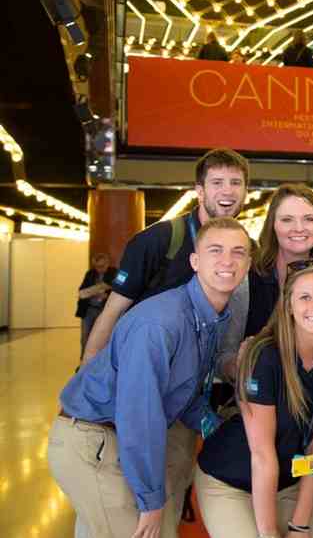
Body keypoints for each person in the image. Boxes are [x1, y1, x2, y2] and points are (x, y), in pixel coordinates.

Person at [48, 218, 251, 538]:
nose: (228, 261)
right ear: (194, 261)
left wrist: (222, 431)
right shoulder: (161, 323)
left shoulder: (210, 317)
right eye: (216, 250)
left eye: (238, 252)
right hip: (95, 441)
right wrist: (150, 500)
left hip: (116, 439)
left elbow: (185, 396)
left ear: (249, 264)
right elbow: (140, 416)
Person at [196, 259, 313, 538]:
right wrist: (270, 532)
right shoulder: (265, 355)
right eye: (305, 297)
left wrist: (299, 526)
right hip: (231, 480)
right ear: (289, 305)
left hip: (289, 483)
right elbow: (261, 456)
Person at [82, 148, 250, 364]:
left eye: (235, 183)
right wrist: (87, 368)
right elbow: (113, 310)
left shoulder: (244, 248)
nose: (228, 191)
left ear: (245, 191)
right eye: (217, 182)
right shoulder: (158, 240)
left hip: (198, 374)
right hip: (146, 363)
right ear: (200, 191)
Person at [223, 184, 313, 382]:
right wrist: (240, 364)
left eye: (309, 219)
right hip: (254, 400)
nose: (299, 228)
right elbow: (222, 358)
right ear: (273, 225)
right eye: (287, 220)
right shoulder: (245, 281)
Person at [76, 252, 117, 358]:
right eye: (97, 267)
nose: (100, 269)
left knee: (103, 337)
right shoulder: (90, 273)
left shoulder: (115, 273)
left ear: (107, 263)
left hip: (104, 310)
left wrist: (106, 295)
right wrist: (91, 292)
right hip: (88, 310)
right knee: (85, 337)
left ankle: (101, 361)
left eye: (102, 266)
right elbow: (81, 290)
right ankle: (84, 362)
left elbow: (120, 290)